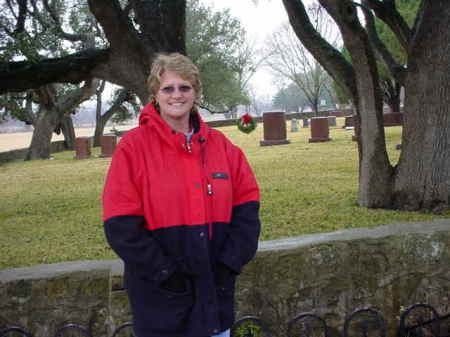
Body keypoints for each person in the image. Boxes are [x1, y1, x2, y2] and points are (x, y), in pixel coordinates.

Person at [102, 52, 261, 337]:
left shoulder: (223, 148)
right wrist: (166, 274)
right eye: (168, 88)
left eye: (185, 87)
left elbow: (247, 212)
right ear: (155, 94)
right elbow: (120, 226)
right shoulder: (132, 149)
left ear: (196, 93)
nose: (177, 95)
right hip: (160, 301)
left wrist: (228, 265)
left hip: (215, 299)